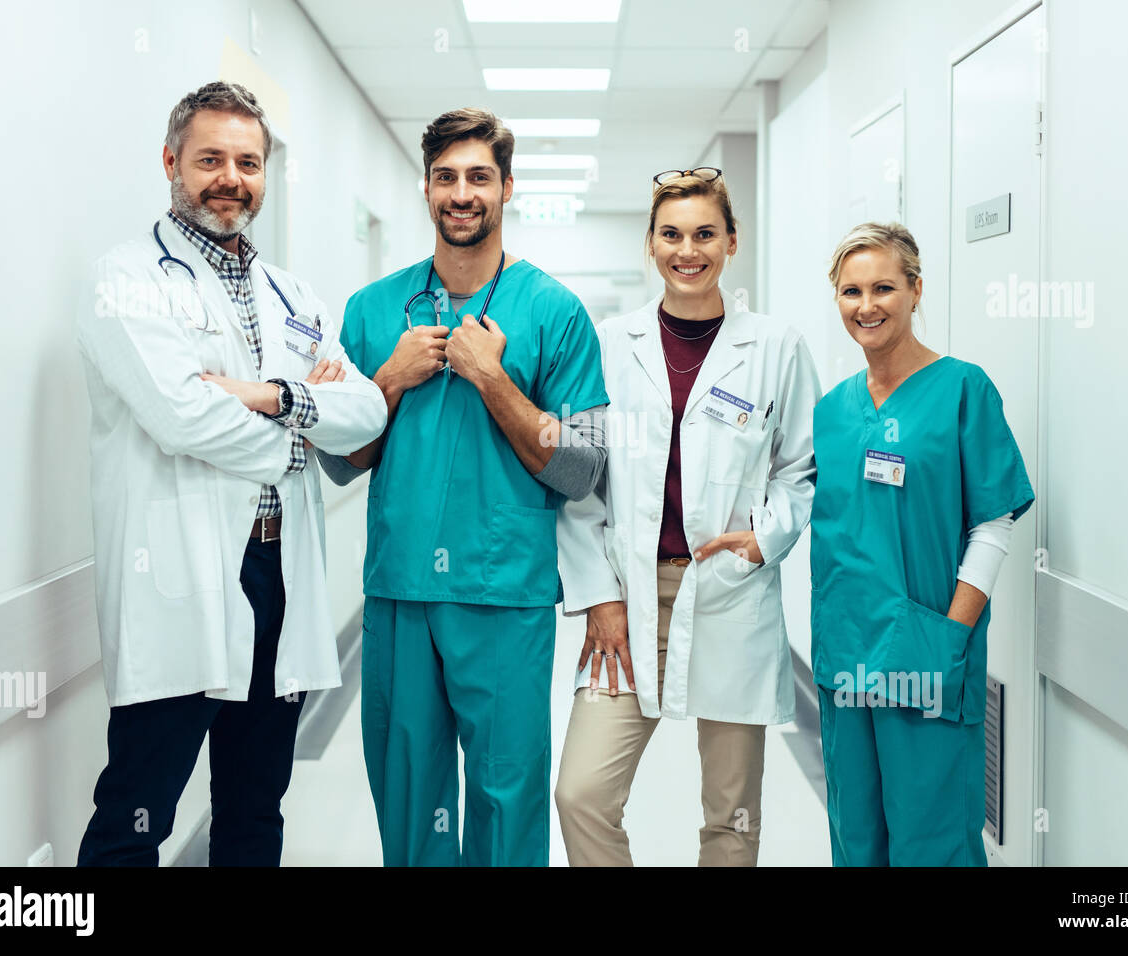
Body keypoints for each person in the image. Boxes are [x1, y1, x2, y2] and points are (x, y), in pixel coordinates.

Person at [75, 82, 387, 866]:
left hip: (277, 575)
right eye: (210, 158)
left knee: (254, 807)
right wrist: (302, 432)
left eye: (248, 162)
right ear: (172, 161)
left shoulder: (291, 293)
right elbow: (182, 415)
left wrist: (275, 397)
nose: (230, 177)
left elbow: (367, 414)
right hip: (177, 578)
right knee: (135, 813)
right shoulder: (126, 278)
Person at [315, 108, 609, 867]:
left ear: (508, 187)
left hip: (504, 596)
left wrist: (492, 378)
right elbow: (342, 461)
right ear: (426, 188)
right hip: (401, 590)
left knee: (506, 802)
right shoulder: (374, 311)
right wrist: (387, 381)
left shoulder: (555, 312)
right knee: (409, 797)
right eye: (446, 176)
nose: (462, 192)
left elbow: (582, 468)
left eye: (479, 176)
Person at [554, 169, 820, 866]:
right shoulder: (611, 344)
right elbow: (582, 486)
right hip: (630, 599)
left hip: (729, 593)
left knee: (731, 815)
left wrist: (765, 539)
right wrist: (599, 598)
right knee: (581, 793)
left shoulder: (776, 347)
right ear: (651, 245)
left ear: (731, 242)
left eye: (705, 233)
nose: (687, 249)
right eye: (671, 234)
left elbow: (803, 468)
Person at [809, 222, 1034, 866]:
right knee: (857, 837)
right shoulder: (832, 409)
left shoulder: (963, 388)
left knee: (932, 840)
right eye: (851, 291)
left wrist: (951, 636)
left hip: (926, 649)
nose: (867, 305)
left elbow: (993, 522)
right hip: (847, 653)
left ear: (915, 290)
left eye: (884, 287)